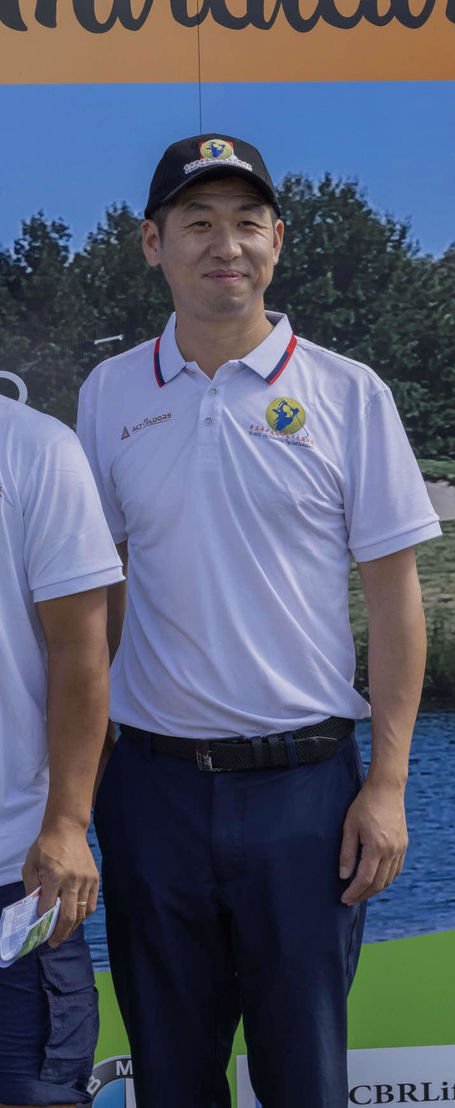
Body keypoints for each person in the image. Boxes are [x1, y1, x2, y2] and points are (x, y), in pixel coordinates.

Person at [76, 133, 441, 1108]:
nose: (224, 245)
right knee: (173, 1082)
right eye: (197, 222)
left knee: (305, 1085)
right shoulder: (110, 394)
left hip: (306, 795)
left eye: (247, 223)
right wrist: (80, 789)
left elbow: (395, 599)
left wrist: (388, 784)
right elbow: (97, 597)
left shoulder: (348, 392)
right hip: (152, 792)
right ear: (152, 243)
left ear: (278, 241)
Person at [0, 393, 123, 1108]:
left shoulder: (34, 448)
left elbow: (81, 652)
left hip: (14, 871)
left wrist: (68, 825)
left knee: (33, 1092)